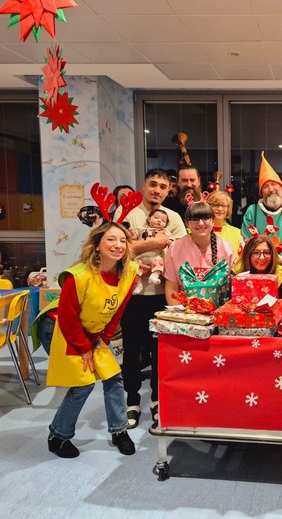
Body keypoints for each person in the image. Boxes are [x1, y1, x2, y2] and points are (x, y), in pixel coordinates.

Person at [46, 222, 138, 459]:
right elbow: (67, 319)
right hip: (64, 331)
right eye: (111, 240)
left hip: (94, 333)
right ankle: (58, 435)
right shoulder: (79, 276)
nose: (118, 245)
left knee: (113, 377)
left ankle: (119, 431)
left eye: (123, 240)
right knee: (83, 385)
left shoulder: (128, 274)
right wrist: (85, 348)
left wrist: (100, 341)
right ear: (96, 245)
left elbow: (117, 311)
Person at [113, 169, 185, 431]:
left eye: (163, 186)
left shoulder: (174, 218)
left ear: (169, 191)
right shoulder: (127, 213)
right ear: (144, 185)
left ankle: (157, 400)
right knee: (131, 350)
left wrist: (138, 246)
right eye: (153, 184)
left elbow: (175, 251)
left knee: (160, 353)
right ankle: (132, 401)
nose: (157, 190)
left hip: (162, 295)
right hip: (132, 294)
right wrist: (152, 243)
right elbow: (117, 250)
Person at [164, 201, 237, 307]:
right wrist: (181, 315)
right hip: (185, 312)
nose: (201, 223)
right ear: (187, 223)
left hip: (218, 312)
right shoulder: (175, 248)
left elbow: (231, 287)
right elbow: (171, 288)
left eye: (206, 218)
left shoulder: (226, 248)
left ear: (213, 221)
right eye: (195, 219)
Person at [241, 151, 282, 256]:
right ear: (261, 193)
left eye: (274, 184)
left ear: (281, 187)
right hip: (260, 264)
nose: (271, 189)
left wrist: (281, 260)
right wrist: (264, 259)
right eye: (266, 186)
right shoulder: (252, 211)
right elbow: (247, 239)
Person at [234, 233, 282, 308]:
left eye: (266, 252)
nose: (262, 257)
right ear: (248, 255)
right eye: (256, 253)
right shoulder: (237, 274)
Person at [131, 209, 172, 295]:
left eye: (163, 220)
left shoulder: (165, 232)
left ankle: (155, 275)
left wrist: (169, 242)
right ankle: (138, 284)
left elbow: (171, 240)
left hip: (155, 256)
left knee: (160, 263)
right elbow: (133, 237)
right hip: (140, 257)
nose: (159, 221)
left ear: (165, 225)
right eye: (156, 218)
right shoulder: (142, 229)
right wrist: (131, 233)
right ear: (149, 219)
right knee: (134, 269)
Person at [207, 190, 244, 257]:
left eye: (223, 205)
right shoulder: (199, 231)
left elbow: (241, 261)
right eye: (216, 205)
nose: (220, 209)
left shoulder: (236, 233)